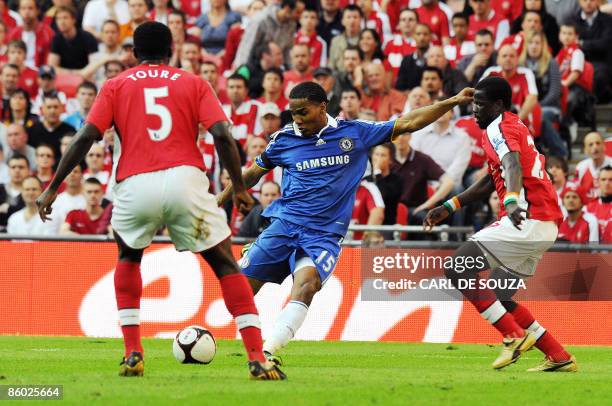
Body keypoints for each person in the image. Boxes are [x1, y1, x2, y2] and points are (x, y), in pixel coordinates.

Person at [35, 21, 286, 380]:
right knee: (226, 266)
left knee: (128, 257)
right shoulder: (193, 82)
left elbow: (85, 136)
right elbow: (221, 135)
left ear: (134, 54)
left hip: (135, 184)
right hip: (186, 180)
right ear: (171, 51)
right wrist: (240, 188)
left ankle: (133, 352)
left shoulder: (115, 85)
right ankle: (256, 357)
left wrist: (53, 186)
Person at [217, 81, 474, 363]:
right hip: (284, 226)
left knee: (306, 285)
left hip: (323, 236)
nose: (297, 120)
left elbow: (409, 122)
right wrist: (219, 200)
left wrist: (451, 102)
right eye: (293, 113)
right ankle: (204, 336)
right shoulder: (284, 139)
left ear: (322, 106)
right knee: (242, 288)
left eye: (303, 112)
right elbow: (253, 173)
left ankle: (268, 350)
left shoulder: (355, 133)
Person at [423, 76, 576, 372]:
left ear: (498, 105)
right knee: (500, 296)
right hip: (544, 224)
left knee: (457, 268)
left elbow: (512, 166)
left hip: (526, 217)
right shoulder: (512, 124)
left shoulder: (499, 127)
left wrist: (511, 202)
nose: (474, 111)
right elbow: (492, 179)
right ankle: (558, 355)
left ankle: (513, 335)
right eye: (473, 104)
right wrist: (451, 205)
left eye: (479, 105)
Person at [519, 30, 566, 157]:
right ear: (526, 45)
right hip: (525, 108)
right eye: (531, 43)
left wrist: (536, 107)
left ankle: (560, 153)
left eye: (537, 43)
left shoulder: (552, 63)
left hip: (549, 107)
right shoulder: (520, 65)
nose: (534, 46)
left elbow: (555, 92)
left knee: (541, 117)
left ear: (542, 45)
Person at [574, 0, 612, 103]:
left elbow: (605, 43)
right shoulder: (573, 20)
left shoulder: (607, 20)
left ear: (598, 1)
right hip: (579, 63)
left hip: (602, 64)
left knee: (600, 76)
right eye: (585, 0)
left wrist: (582, 44)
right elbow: (571, 43)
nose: (588, 2)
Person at [48, 5, 98, 73]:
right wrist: (74, 73)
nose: (61, 22)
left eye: (65, 18)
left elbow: (94, 66)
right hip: (65, 78)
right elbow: (52, 68)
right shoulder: (56, 39)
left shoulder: (88, 37)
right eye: (58, 18)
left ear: (74, 20)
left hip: (86, 78)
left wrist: (82, 73)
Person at [7, 0, 54, 67]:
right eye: (23, 8)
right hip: (17, 73)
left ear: (37, 11)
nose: (27, 12)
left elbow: (49, 62)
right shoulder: (13, 34)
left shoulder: (47, 33)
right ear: (19, 11)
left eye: (30, 8)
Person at [574, 132, 612, 201]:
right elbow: (576, 192)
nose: (595, 147)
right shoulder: (580, 167)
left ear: (604, 146)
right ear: (585, 150)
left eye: (598, 143)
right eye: (591, 144)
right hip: (588, 209)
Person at [395, 23, 432, 91]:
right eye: (418, 34)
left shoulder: (436, 59)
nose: (422, 37)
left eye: (425, 34)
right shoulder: (406, 60)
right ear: (413, 36)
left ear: (430, 37)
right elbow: (400, 86)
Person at [328, 5, 363, 72]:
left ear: (360, 19)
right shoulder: (335, 41)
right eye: (348, 17)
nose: (352, 20)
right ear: (342, 21)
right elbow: (331, 66)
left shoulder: (365, 39)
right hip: (339, 78)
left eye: (355, 17)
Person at [585, 166, 611, 243]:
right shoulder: (588, 208)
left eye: (611, 180)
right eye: (603, 179)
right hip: (594, 253)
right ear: (598, 182)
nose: (607, 183)